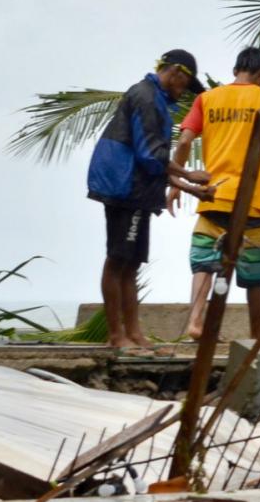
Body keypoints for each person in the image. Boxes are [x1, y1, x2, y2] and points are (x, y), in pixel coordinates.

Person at [86, 50, 213, 353]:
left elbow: (151, 161)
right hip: (125, 188)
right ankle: (117, 336)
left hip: (137, 189)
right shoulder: (146, 97)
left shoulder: (154, 99)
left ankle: (135, 334)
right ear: (177, 73)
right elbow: (150, 155)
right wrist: (189, 177)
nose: (182, 92)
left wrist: (189, 187)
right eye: (184, 85)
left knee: (130, 264)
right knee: (118, 260)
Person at [167, 46, 260, 341]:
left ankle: (196, 321)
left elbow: (183, 142)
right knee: (255, 272)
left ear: (236, 70)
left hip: (212, 195)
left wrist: (175, 181)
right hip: (252, 201)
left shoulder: (206, 99)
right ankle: (256, 335)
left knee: (203, 262)